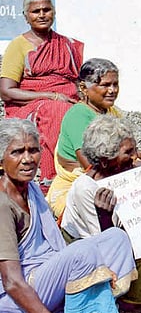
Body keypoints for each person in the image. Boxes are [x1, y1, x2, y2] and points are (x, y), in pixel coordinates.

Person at [0, 118, 136, 313]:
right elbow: (11, 282)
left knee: (116, 238)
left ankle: (86, 311)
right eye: (17, 152)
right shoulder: (3, 204)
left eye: (33, 150)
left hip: (47, 275)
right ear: (1, 161)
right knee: (83, 252)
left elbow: (55, 245)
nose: (27, 159)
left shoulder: (32, 190)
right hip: (22, 293)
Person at [61, 115, 141, 306]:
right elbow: (104, 246)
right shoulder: (86, 188)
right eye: (128, 152)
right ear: (105, 161)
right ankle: (135, 295)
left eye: (135, 149)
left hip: (124, 238)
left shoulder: (125, 173)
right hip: (95, 250)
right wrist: (104, 215)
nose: (136, 156)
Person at [0, 0, 83, 187]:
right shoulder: (18, 45)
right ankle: (51, 180)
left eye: (46, 10)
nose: (42, 15)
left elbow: (78, 82)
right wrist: (51, 96)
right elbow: (6, 91)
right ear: (26, 16)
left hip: (68, 98)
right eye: (36, 11)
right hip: (30, 104)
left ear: (54, 12)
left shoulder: (66, 45)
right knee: (56, 110)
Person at [46, 58, 122, 218]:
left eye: (115, 84)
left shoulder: (112, 112)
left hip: (108, 179)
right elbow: (91, 166)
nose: (112, 90)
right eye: (105, 85)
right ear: (83, 88)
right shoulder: (78, 116)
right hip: (77, 188)